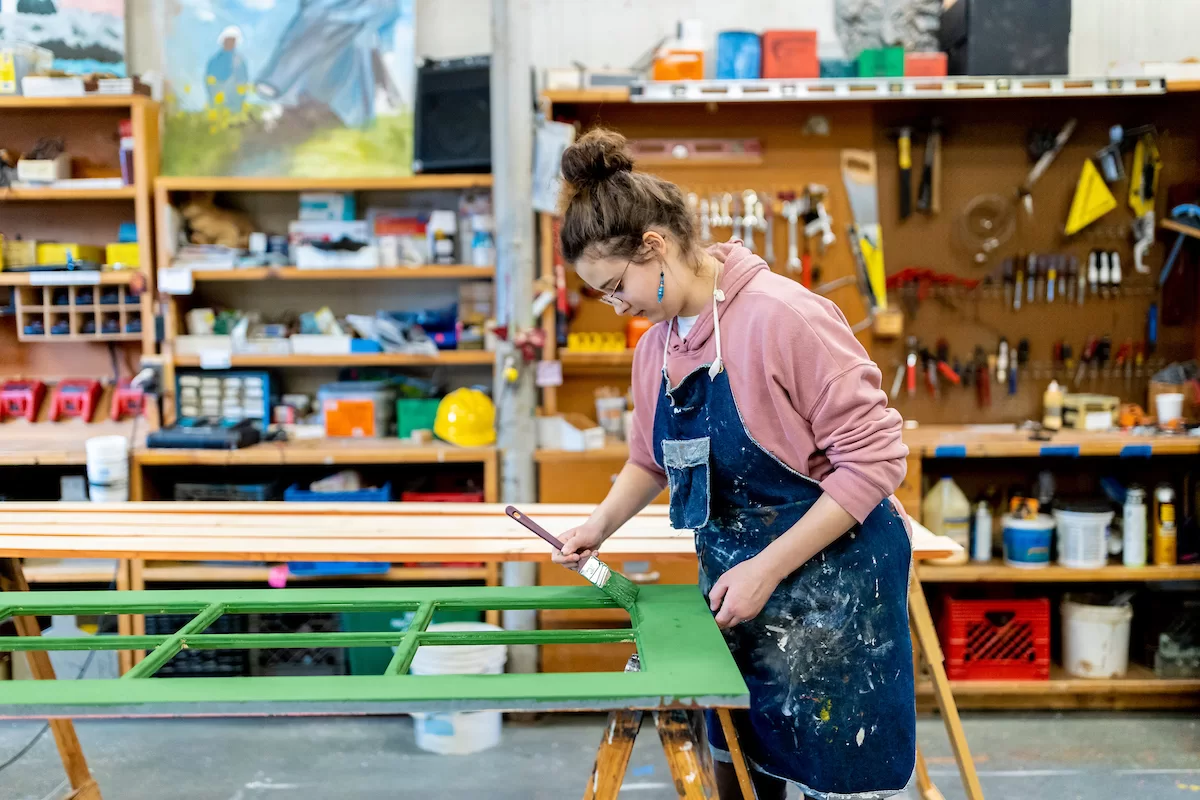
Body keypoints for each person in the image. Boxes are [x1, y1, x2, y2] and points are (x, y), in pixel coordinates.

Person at [552, 129, 917, 800]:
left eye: (615, 285)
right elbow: (649, 459)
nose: (616, 306)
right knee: (744, 775)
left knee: (836, 779)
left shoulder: (784, 318)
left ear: (655, 246)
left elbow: (874, 463)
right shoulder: (655, 349)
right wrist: (596, 525)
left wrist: (767, 568)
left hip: (834, 590)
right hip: (739, 594)